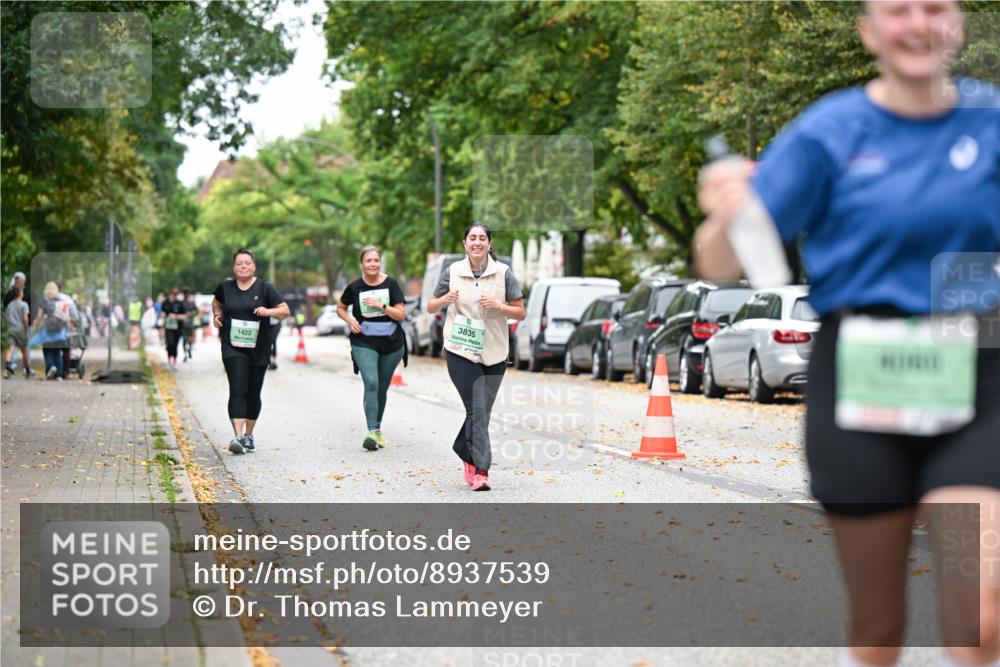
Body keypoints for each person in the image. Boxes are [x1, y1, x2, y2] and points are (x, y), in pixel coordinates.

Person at [695, 3, 998, 666]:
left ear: (957, 25)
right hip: (861, 378)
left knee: (980, 610)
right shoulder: (828, 132)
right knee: (878, 624)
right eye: (897, 11)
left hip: (978, 376)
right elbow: (719, 261)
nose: (917, 24)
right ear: (869, 32)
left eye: (934, 8)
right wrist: (724, 215)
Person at [425, 224, 525, 491]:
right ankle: (482, 471)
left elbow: (520, 312)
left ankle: (463, 447)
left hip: (494, 351)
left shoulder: (503, 273)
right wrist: (446, 297)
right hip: (460, 349)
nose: (477, 242)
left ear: (489, 243)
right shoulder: (453, 271)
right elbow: (430, 305)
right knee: (477, 409)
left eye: (482, 238)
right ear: (464, 243)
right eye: (472, 238)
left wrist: (499, 306)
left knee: (482, 411)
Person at [212, 248, 289, 455]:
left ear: (254, 266)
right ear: (233, 267)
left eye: (247, 263)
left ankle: (248, 435)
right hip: (233, 346)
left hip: (259, 348)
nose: (243, 266)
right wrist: (217, 316)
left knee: (253, 393)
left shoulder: (265, 288)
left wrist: (268, 311)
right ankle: (237, 436)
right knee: (237, 388)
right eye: (239, 263)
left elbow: (285, 310)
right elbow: (217, 303)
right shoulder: (225, 287)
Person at [336, 245, 408, 451]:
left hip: (392, 343)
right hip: (364, 340)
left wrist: (381, 306)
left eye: (376, 260)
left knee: (382, 387)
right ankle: (373, 431)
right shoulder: (354, 286)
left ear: (380, 263)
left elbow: (401, 315)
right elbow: (340, 307)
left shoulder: (391, 284)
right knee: (372, 382)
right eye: (368, 261)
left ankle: (378, 431)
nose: (373, 264)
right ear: (361, 264)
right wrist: (350, 320)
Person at [31, 281, 72, 380]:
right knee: (57, 353)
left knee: (47, 351)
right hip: (59, 331)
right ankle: (59, 375)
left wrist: (35, 327)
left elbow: (39, 317)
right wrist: (69, 331)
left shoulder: (45, 302)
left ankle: (51, 367)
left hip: (48, 331)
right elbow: (67, 318)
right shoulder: (62, 302)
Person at [4, 286, 30, 378]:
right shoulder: (24, 304)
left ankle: (7, 363)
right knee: (24, 350)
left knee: (11, 348)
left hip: (11, 329)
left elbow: (6, 318)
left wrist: (8, 327)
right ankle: (27, 370)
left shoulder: (9, 305)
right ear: (20, 294)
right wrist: (26, 328)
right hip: (20, 329)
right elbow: (25, 319)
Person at [160, 289, 187, 370]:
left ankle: (174, 361)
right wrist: (164, 316)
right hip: (168, 327)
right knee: (170, 343)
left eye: (176, 294)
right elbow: (162, 313)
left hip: (178, 327)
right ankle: (169, 360)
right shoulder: (166, 303)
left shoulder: (180, 304)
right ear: (170, 294)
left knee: (175, 344)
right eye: (173, 294)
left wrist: (175, 316)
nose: (174, 295)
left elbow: (184, 316)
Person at [181, 290, 198, 362]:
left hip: (190, 325)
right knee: (184, 340)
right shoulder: (181, 304)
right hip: (184, 325)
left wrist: (191, 314)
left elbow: (197, 312)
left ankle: (190, 350)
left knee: (190, 340)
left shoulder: (192, 303)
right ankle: (185, 354)